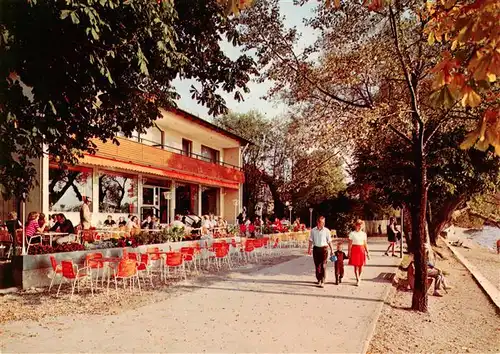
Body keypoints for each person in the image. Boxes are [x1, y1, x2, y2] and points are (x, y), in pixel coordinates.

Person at [307, 216, 333, 288]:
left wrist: (332, 250)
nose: (323, 223)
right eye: (322, 222)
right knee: (317, 265)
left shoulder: (327, 231)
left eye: (324, 222)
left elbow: (329, 241)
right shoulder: (313, 230)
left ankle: (322, 280)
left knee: (323, 265)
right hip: (316, 249)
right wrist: (309, 249)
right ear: (318, 222)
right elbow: (311, 240)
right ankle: (318, 278)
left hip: (324, 249)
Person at [348, 219, 370, 286]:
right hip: (354, 250)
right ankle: (357, 279)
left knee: (361, 266)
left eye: (361, 226)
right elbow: (349, 244)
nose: (360, 227)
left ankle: (359, 277)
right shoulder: (352, 233)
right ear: (356, 225)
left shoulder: (364, 234)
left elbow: (365, 244)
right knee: (356, 266)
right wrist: (349, 252)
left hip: (361, 250)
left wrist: (368, 252)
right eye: (358, 225)